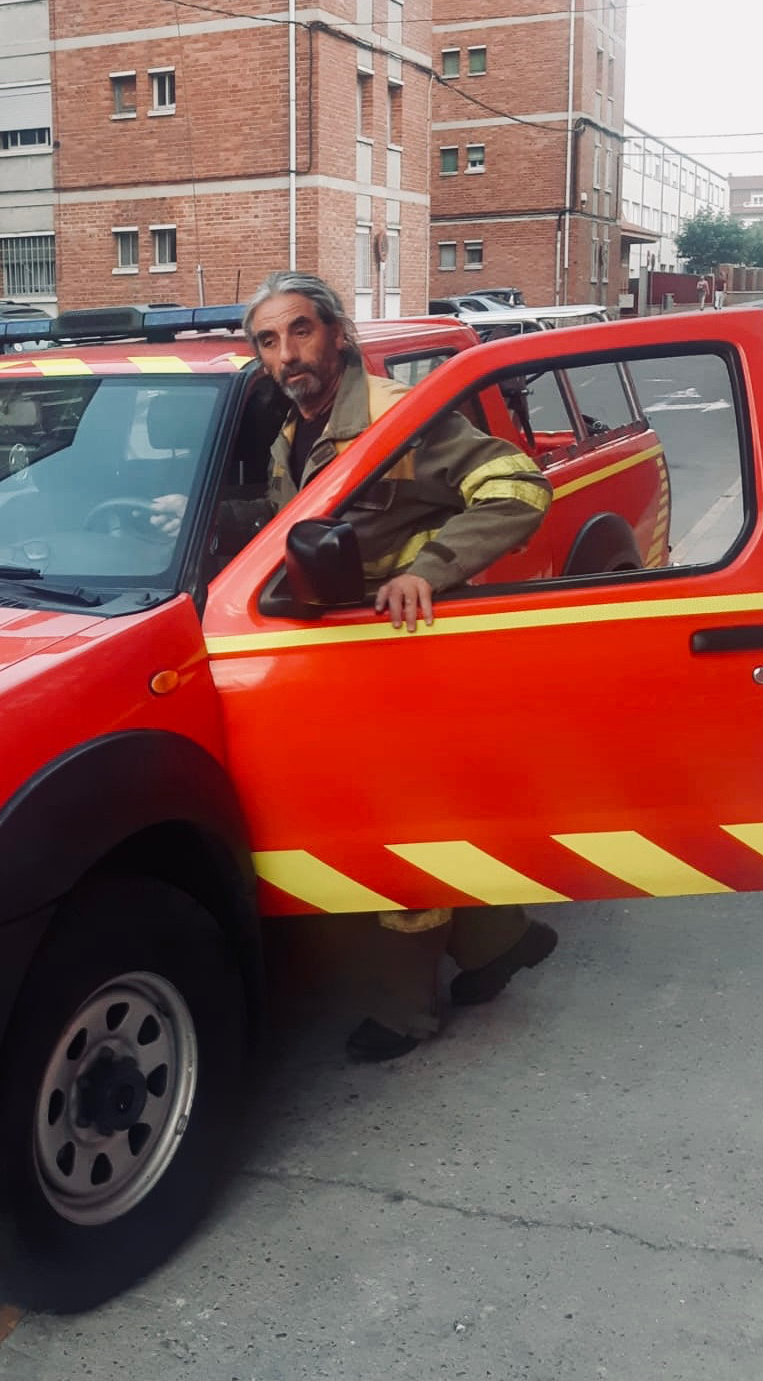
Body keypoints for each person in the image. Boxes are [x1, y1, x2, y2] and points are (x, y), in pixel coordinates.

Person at [187, 271, 561, 1060]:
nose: (287, 354)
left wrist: (431, 566)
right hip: (348, 663)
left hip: (407, 657)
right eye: (268, 340)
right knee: (415, 822)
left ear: (336, 333)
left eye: (300, 331)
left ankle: (403, 1011)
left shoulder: (398, 417)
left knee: (390, 838)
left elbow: (518, 485)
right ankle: (500, 943)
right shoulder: (298, 433)